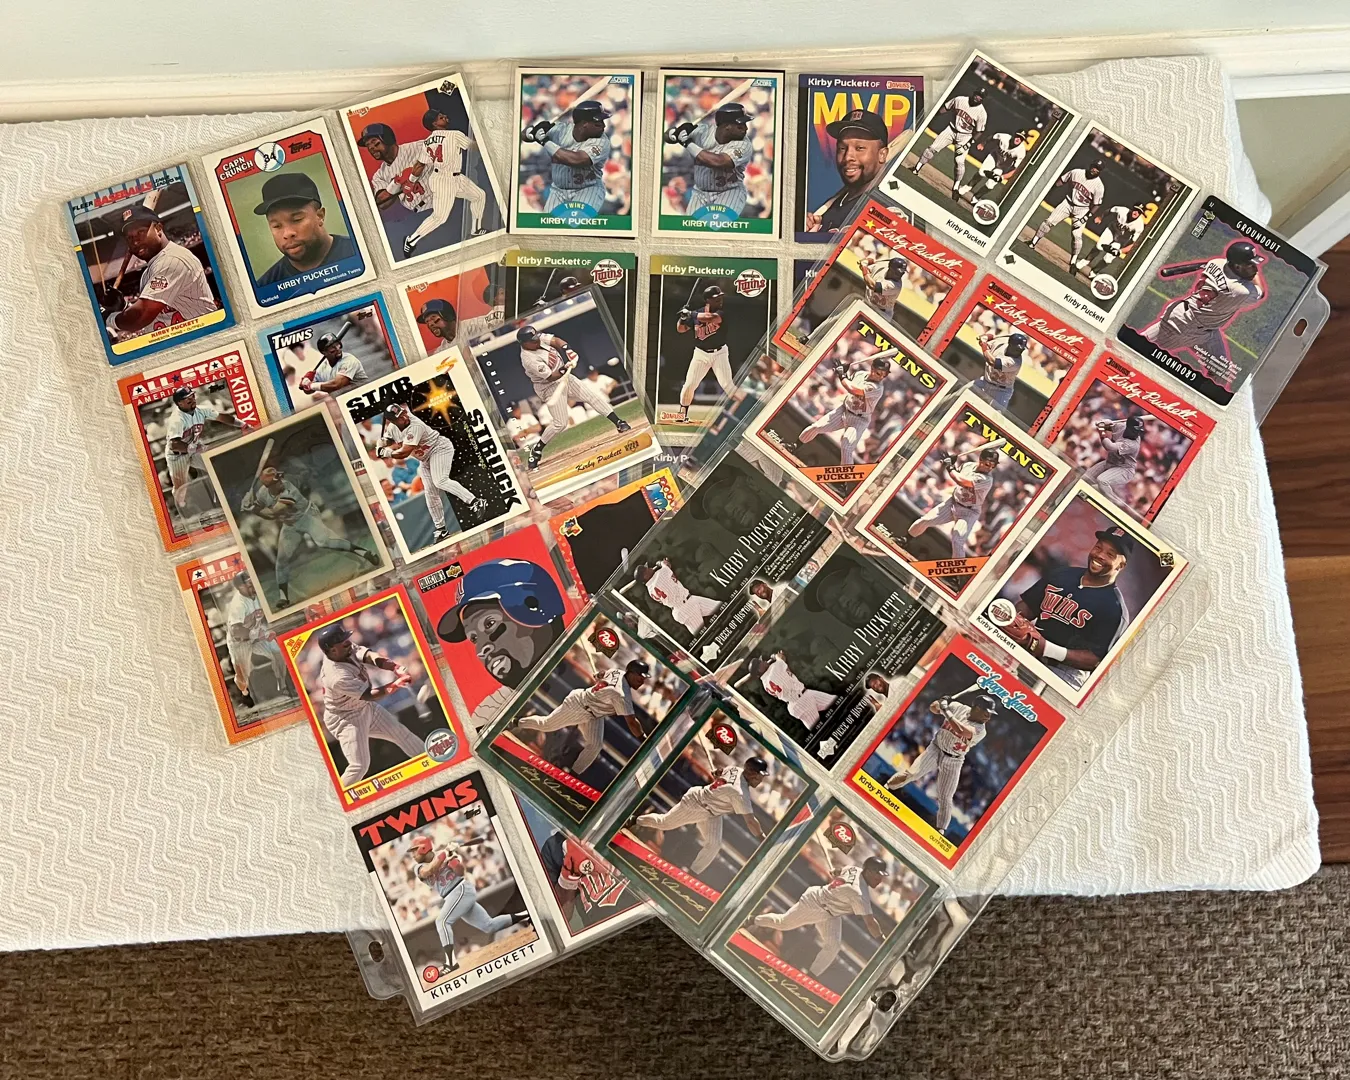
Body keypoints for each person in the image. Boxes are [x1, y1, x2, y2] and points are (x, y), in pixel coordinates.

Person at [254, 172, 360, 286]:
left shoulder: (360, 253)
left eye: (297, 219)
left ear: (320, 216)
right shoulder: (267, 286)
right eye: (277, 226)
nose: (288, 233)